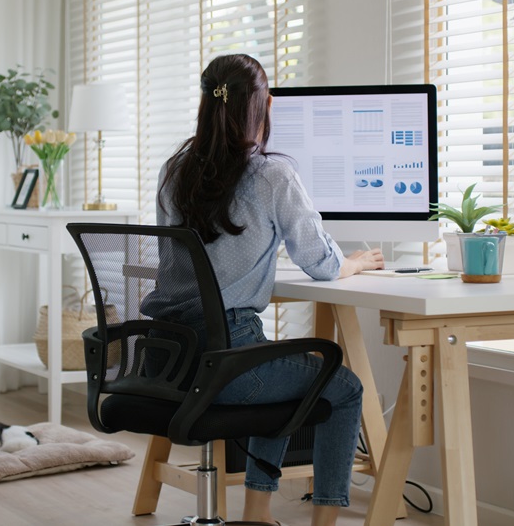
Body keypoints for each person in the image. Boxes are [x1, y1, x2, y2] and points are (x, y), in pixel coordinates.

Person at [143, 54, 384, 526]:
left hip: (166, 360)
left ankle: (257, 514)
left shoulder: (174, 172)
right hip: (228, 361)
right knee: (343, 387)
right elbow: (319, 262)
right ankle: (323, 522)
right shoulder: (272, 175)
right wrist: (352, 263)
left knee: (278, 369)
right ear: (264, 105)